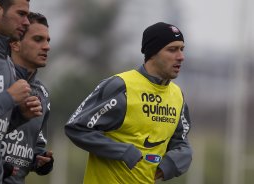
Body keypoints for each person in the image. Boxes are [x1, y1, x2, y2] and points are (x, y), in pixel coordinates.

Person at [65, 22, 192, 183]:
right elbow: (77, 127)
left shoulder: (177, 95)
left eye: (182, 49)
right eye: (172, 49)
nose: (181, 56)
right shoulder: (121, 85)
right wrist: (123, 151)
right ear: (153, 53)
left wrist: (169, 165)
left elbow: (182, 143)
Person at [0, 0, 42, 183]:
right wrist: (8, 97)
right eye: (21, 14)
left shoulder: (7, 62)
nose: (27, 22)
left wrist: (20, 115)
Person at [1, 12, 54, 184]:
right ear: (15, 44)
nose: (46, 47)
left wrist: (39, 161)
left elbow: (36, 147)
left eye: (48, 40)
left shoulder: (42, 94)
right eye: (38, 39)